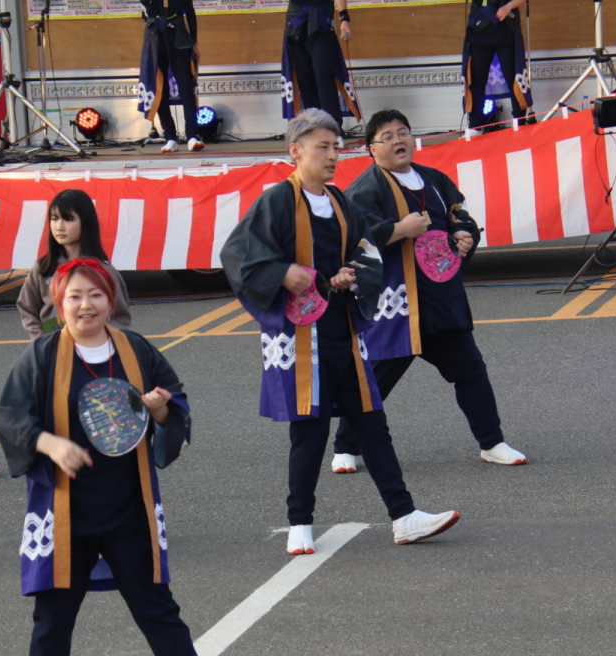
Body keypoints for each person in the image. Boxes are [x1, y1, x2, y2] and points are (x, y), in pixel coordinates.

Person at [0, 259, 240, 656]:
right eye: (74, 297)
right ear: (58, 303)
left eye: (95, 295)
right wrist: (51, 444)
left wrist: (162, 408)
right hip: (65, 507)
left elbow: (177, 405)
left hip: (128, 503)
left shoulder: (136, 350)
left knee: (156, 606)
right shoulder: (43, 354)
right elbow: (11, 417)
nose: (85, 305)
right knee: (54, 612)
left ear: (112, 300)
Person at [221, 109, 460, 556]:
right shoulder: (276, 201)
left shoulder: (338, 201)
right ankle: (300, 524)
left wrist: (353, 274)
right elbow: (238, 256)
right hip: (298, 336)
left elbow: (366, 249)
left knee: (372, 420)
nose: (333, 155)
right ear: (295, 151)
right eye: (323, 147)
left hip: (344, 331)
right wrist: (284, 272)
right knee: (308, 431)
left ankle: (404, 516)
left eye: (336, 146)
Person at [330, 109, 526, 474]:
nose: (397, 141)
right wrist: (399, 230)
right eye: (386, 136)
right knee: (374, 380)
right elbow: (350, 242)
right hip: (396, 306)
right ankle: (345, 446)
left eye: (402, 132)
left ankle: (492, 442)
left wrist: (465, 237)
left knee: (470, 371)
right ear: (371, 148)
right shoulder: (363, 190)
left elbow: (461, 216)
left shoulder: (435, 180)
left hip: (440, 300)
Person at [17, 189, 133, 341]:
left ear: (85, 222)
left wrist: (103, 343)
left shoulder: (103, 270)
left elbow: (120, 316)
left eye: (68, 219)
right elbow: (27, 308)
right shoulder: (43, 268)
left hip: (93, 348)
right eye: (54, 218)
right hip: (52, 348)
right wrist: (40, 340)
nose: (59, 226)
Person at [280, 0, 361, 126]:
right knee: (304, 77)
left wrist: (344, 18)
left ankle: (333, 128)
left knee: (324, 76)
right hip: (296, 19)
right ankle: (312, 126)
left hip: (321, 18)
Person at [138, 0, 204, 153]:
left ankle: (192, 136)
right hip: (155, 41)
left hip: (179, 41)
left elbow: (190, 14)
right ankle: (170, 138)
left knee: (186, 88)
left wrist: (194, 42)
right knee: (160, 91)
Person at [463, 0, 532, 128]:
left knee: (513, 77)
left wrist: (508, 6)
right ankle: (475, 126)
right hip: (479, 29)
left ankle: (520, 121)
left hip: (505, 28)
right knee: (476, 80)